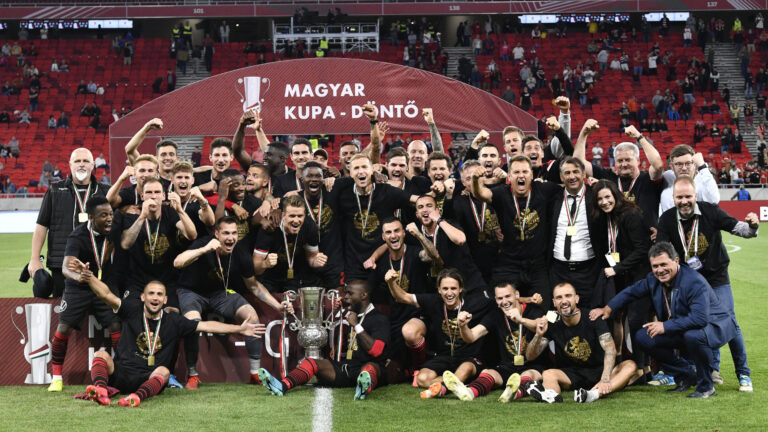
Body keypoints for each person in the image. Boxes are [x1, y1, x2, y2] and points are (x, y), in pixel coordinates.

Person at [76, 276, 261, 407]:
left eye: (159, 294)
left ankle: (136, 398)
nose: (155, 298)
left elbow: (206, 325)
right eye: (151, 293)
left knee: (164, 372)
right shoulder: (131, 310)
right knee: (101, 355)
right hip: (122, 372)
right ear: (143, 297)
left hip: (148, 377)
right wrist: (90, 277)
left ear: (165, 300)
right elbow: (107, 295)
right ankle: (101, 391)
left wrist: (239, 329)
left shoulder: (174, 321)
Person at [592, 242, 737, 398]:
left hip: (714, 326)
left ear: (676, 261)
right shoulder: (653, 279)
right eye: (655, 266)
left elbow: (700, 319)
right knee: (643, 337)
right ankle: (686, 374)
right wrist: (608, 308)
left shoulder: (693, 281)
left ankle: (706, 386)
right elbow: (631, 292)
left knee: (693, 336)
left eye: (663, 264)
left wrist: (665, 326)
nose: (659, 270)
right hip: (685, 327)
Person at [657, 177, 757, 392]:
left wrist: (752, 226)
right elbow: (662, 253)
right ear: (673, 198)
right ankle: (700, 371)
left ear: (696, 196)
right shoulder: (666, 219)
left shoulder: (710, 211)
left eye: (688, 196)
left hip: (715, 277)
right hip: (688, 282)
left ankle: (743, 374)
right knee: (691, 325)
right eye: (679, 197)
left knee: (729, 322)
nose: (684, 201)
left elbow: (742, 230)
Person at [174, 216, 291, 389]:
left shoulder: (240, 252)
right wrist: (204, 250)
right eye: (226, 233)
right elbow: (177, 262)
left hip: (220, 293)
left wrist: (278, 306)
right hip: (192, 292)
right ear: (217, 234)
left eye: (234, 233)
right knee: (192, 323)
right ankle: (193, 375)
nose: (231, 238)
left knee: (251, 315)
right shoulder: (203, 243)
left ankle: (254, 373)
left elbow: (254, 286)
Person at [259, 280, 389, 400]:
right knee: (312, 362)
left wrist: (356, 326)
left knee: (369, 368)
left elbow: (376, 351)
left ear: (364, 295)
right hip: (350, 367)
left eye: (350, 294)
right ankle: (282, 385)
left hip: (372, 368)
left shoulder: (379, 319)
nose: (345, 297)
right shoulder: (353, 315)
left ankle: (363, 388)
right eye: (345, 293)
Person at [47, 197, 122, 392]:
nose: (109, 219)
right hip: (78, 287)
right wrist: (78, 276)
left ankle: (122, 370)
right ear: (91, 218)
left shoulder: (114, 230)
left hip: (104, 285)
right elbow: (66, 267)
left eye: (111, 214)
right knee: (63, 327)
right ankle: (56, 377)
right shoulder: (78, 236)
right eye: (103, 215)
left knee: (116, 324)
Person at [471, 155, 560, 316]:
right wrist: (475, 180)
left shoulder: (544, 189)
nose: (521, 175)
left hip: (537, 265)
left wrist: (591, 183)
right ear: (509, 176)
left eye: (525, 172)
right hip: (509, 263)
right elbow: (481, 194)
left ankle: (536, 331)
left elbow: (567, 186)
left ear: (531, 175)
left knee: (545, 307)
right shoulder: (501, 193)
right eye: (516, 172)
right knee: (495, 302)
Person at [525, 283, 637, 403]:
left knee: (630, 365)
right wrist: (538, 335)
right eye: (559, 297)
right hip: (571, 374)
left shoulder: (592, 316)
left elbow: (610, 349)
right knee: (548, 374)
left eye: (568, 296)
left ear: (576, 299)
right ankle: (551, 396)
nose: (564, 301)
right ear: (554, 302)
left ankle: (593, 394)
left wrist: (604, 380)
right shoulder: (552, 320)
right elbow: (530, 356)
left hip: (599, 370)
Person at [387, 268, 486, 399]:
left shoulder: (476, 304)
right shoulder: (433, 301)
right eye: (445, 289)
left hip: (468, 358)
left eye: (453, 288)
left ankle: (446, 386)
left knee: (465, 369)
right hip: (445, 356)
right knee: (422, 379)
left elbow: (499, 304)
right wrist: (391, 283)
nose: (449, 293)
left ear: (460, 289)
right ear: (439, 290)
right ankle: (457, 383)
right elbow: (403, 297)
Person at [29, 148, 110, 299]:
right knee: (64, 309)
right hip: (62, 264)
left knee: (99, 308)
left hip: (97, 264)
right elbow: (41, 226)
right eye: (77, 161)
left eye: (85, 161)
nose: (81, 164)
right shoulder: (55, 191)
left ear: (93, 165)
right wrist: (34, 259)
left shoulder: (106, 192)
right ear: (70, 164)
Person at [443, 282, 543, 401]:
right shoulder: (496, 314)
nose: (504, 301)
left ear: (517, 295)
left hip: (531, 366)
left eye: (508, 296)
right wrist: (463, 326)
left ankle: (514, 393)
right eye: (500, 298)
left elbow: (540, 325)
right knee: (488, 372)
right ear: (496, 300)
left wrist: (521, 320)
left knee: (528, 375)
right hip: (507, 367)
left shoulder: (532, 310)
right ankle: (469, 392)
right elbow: (472, 337)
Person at [114, 178, 197, 303]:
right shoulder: (132, 215)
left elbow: (191, 235)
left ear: (163, 196)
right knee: (130, 309)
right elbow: (125, 244)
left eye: (157, 192)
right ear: (142, 196)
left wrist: (180, 210)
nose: (153, 196)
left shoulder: (170, 212)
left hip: (167, 281)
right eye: (149, 192)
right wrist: (142, 217)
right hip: (138, 281)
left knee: (171, 311)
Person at [252, 195, 327, 293]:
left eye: (300, 216)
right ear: (283, 215)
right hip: (269, 277)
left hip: (295, 276)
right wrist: (265, 264)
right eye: (292, 216)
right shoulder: (270, 227)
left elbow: (311, 258)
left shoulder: (309, 226)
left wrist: (316, 261)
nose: (296, 221)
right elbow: (255, 268)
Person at [660, 145, 719, 213]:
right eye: (679, 164)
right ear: (672, 166)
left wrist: (703, 167)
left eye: (688, 163)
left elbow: (714, 200)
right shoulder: (667, 177)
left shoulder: (702, 180)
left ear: (694, 165)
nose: (684, 168)